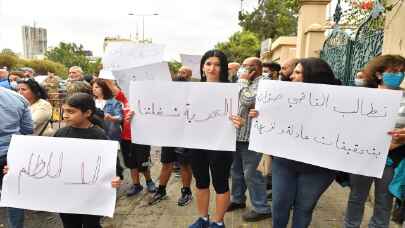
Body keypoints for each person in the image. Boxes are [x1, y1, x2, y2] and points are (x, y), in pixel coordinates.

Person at [250, 58, 341, 228]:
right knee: (279, 206)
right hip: (285, 163)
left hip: (318, 168)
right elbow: (271, 123)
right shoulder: (281, 96)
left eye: (298, 72)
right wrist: (260, 115)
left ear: (314, 75)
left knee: (304, 208)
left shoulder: (340, 100)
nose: (291, 76)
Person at [344, 55, 405, 228]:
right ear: (379, 74)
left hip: (392, 160)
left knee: (384, 201)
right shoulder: (363, 96)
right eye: (393, 71)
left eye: (402, 72)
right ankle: (350, 225)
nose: (399, 75)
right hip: (363, 157)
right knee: (356, 197)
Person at [188, 50, 243, 228]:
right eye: (208, 64)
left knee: (220, 183)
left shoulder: (233, 91)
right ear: (202, 67)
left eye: (217, 64)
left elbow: (243, 117)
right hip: (196, 142)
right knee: (201, 182)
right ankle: (203, 219)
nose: (212, 68)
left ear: (223, 68)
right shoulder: (190, 90)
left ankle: (218, 222)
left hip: (221, 144)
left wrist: (239, 121)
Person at [53, 92, 121, 228]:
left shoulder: (98, 135)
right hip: (67, 193)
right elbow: (49, 160)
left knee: (91, 224)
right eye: (64, 111)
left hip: (91, 193)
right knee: (70, 223)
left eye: (71, 111)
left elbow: (112, 162)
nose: (65, 115)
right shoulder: (60, 133)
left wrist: (116, 177)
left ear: (87, 113)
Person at [227, 57, 272, 222]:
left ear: (256, 68)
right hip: (238, 135)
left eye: (247, 67)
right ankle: (237, 200)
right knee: (236, 172)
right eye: (242, 66)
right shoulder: (244, 82)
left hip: (252, 137)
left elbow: (247, 100)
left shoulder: (264, 82)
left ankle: (262, 208)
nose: (243, 69)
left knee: (252, 174)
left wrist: (243, 81)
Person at [102, 71, 156, 196]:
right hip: (126, 138)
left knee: (144, 163)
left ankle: (149, 181)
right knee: (131, 163)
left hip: (142, 138)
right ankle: (136, 185)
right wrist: (106, 73)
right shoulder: (125, 99)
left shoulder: (148, 100)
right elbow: (112, 87)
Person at [149, 66, 194, 206]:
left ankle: (186, 192)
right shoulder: (166, 100)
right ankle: (161, 191)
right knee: (166, 163)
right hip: (169, 137)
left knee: (184, 165)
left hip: (185, 138)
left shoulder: (191, 100)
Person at [0, 86, 33, 228]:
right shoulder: (18, 98)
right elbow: (28, 129)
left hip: (9, 152)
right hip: (11, 152)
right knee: (14, 195)